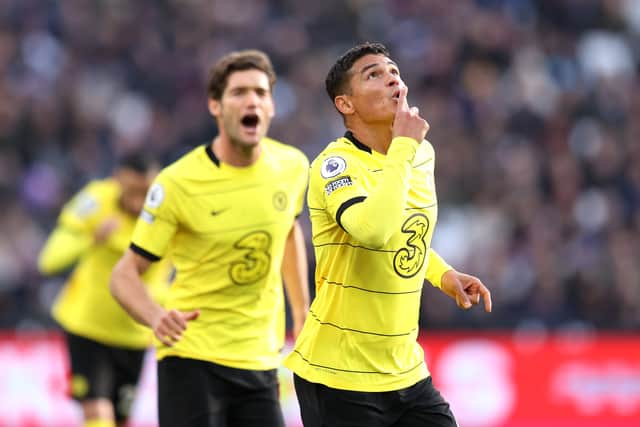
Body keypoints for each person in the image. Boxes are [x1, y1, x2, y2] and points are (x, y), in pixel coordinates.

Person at [283, 42, 493, 427]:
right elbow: (374, 231)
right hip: (339, 375)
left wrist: (441, 274)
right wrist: (402, 148)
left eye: (393, 70)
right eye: (373, 74)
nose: (391, 77)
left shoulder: (420, 154)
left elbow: (405, 233)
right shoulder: (335, 165)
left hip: (405, 370)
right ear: (346, 104)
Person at [109, 49, 310, 427]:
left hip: (260, 359)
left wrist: (301, 311)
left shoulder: (293, 166)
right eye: (238, 92)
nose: (252, 100)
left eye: (261, 92)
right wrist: (156, 317)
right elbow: (123, 276)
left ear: (271, 106)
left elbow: (287, 232)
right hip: (192, 356)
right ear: (215, 105)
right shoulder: (177, 183)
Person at [38, 153, 172, 427]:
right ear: (117, 180)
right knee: (98, 413)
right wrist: (92, 238)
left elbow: (172, 278)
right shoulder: (96, 201)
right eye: (133, 192)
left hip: (134, 335)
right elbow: (49, 260)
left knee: (121, 419)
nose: (139, 201)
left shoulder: (165, 212)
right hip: (88, 327)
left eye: (146, 193)